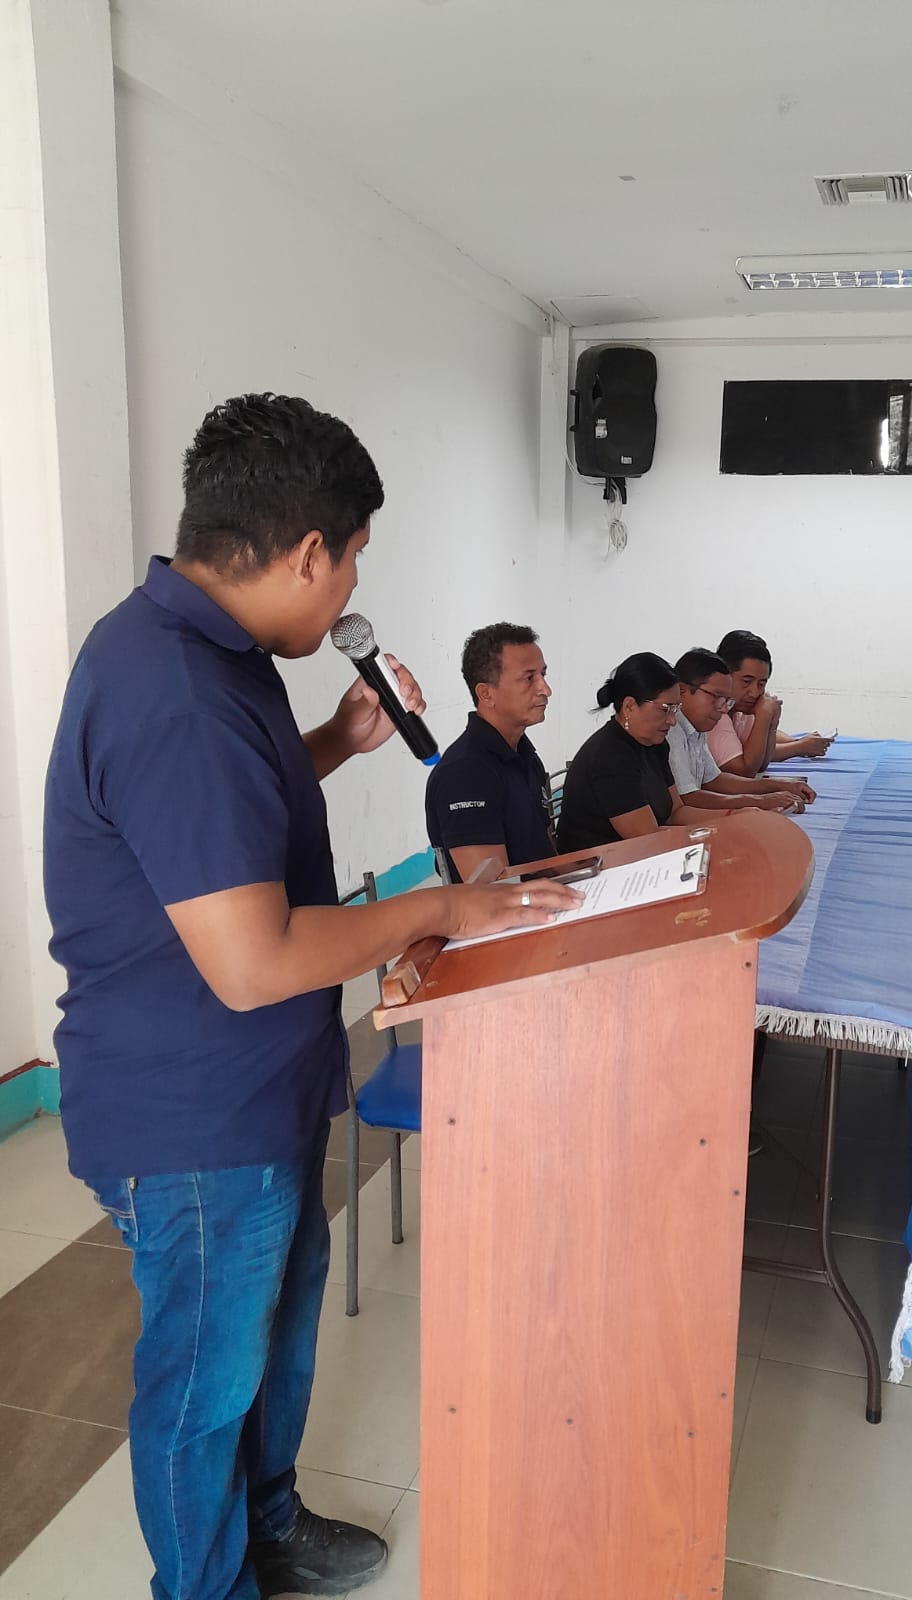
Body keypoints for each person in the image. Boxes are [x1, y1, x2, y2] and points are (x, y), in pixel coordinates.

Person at [41, 394, 577, 1600]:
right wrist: (445, 909)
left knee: (277, 1335)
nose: (348, 596)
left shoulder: (207, 655)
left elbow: (222, 825)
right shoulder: (175, 692)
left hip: (256, 1091)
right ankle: (208, 1584)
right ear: (306, 552)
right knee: (203, 1384)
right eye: (352, 565)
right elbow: (254, 958)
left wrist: (332, 740)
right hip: (192, 1121)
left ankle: (269, 1532)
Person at [425, 622, 557, 883]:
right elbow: (492, 891)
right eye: (529, 678)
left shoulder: (525, 755)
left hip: (546, 896)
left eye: (543, 675)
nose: (545, 689)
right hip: (515, 907)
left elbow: (543, 855)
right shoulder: (464, 774)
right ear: (486, 694)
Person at [557, 652, 717, 853]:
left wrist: (733, 816)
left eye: (675, 709)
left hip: (638, 855)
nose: (672, 720)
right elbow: (648, 837)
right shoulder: (609, 756)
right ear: (629, 707)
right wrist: (712, 834)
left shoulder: (656, 744)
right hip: (598, 864)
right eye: (665, 709)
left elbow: (676, 812)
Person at [667, 648, 817, 813]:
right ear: (681, 690)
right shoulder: (671, 729)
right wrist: (759, 801)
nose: (723, 709)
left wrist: (779, 785)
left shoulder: (697, 727)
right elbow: (687, 798)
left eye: (726, 701)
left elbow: (715, 780)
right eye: (715, 697)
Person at [706, 629, 834, 777]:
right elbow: (745, 771)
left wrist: (772, 724)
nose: (755, 693)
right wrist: (764, 716)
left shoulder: (741, 710)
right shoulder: (715, 713)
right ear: (724, 675)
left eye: (761, 684)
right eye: (746, 681)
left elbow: (761, 763)